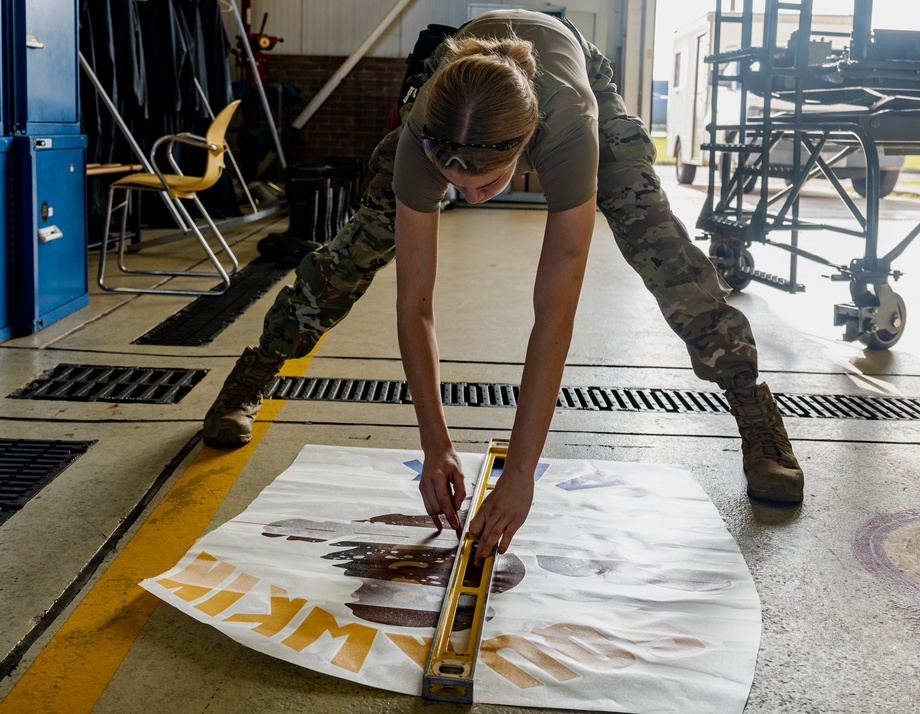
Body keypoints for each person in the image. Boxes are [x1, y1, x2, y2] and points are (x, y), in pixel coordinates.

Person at [203, 9, 804, 562]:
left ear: (526, 153)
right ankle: (257, 369)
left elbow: (554, 318)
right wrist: (434, 443)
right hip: (464, 86)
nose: (466, 196)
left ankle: (752, 407)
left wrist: (521, 474)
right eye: (453, 184)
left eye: (487, 183)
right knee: (353, 250)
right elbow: (414, 307)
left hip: (572, 74)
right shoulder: (423, 135)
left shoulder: (567, 131)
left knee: (661, 246)